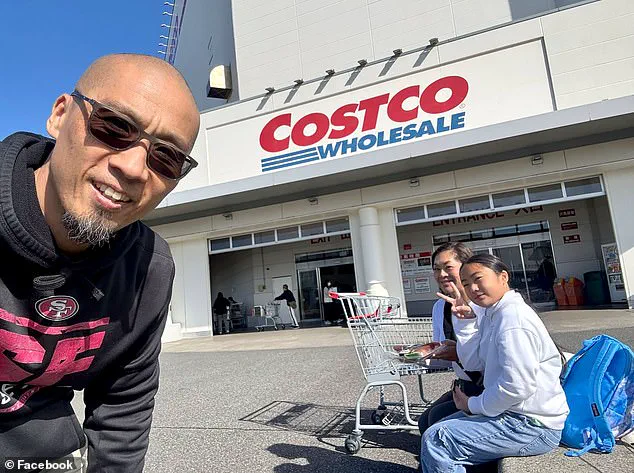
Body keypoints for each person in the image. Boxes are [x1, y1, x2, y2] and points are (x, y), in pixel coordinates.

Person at [0, 54, 200, 472]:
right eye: (114, 126)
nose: (133, 167)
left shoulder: (148, 271)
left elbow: (123, 409)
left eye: (167, 158)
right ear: (60, 116)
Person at [420, 254, 569, 473]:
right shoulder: (495, 313)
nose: (473, 288)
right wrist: (466, 322)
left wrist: (472, 404)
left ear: (503, 277)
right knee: (436, 426)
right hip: (513, 413)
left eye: (478, 279)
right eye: (466, 284)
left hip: (531, 424)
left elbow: (517, 387)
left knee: (438, 440)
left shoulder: (512, 320)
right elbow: (473, 362)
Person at [418, 243, 485, 435]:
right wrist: (417, 355)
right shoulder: (439, 307)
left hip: (489, 384)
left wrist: (458, 353)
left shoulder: (483, 303)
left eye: (448, 267)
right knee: (424, 422)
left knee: (435, 422)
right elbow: (443, 356)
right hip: (467, 383)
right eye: (436, 269)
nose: (442, 274)